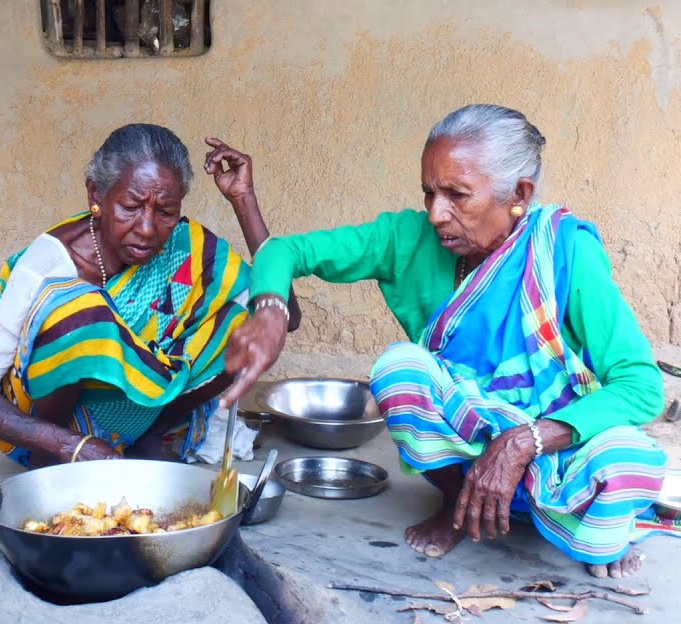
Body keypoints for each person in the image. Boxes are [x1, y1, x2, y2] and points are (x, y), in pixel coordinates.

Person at [223, 104, 670, 579]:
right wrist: (270, 310)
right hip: (472, 432)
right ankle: (460, 503)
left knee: (627, 460)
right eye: (429, 193)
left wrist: (525, 440)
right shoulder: (408, 238)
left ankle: (578, 523)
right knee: (401, 368)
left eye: (457, 195)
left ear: (518, 194)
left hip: (556, 443)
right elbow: (288, 251)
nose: (437, 214)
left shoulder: (565, 249)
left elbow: (641, 387)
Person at [0, 123, 300, 467]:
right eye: (130, 207)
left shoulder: (185, 246)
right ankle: (53, 463)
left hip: (143, 410)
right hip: (50, 433)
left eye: (165, 211)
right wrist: (70, 445)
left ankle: (147, 435)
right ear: (96, 195)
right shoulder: (47, 264)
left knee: (250, 321)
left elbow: (285, 317)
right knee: (80, 312)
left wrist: (244, 200)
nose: (147, 229)